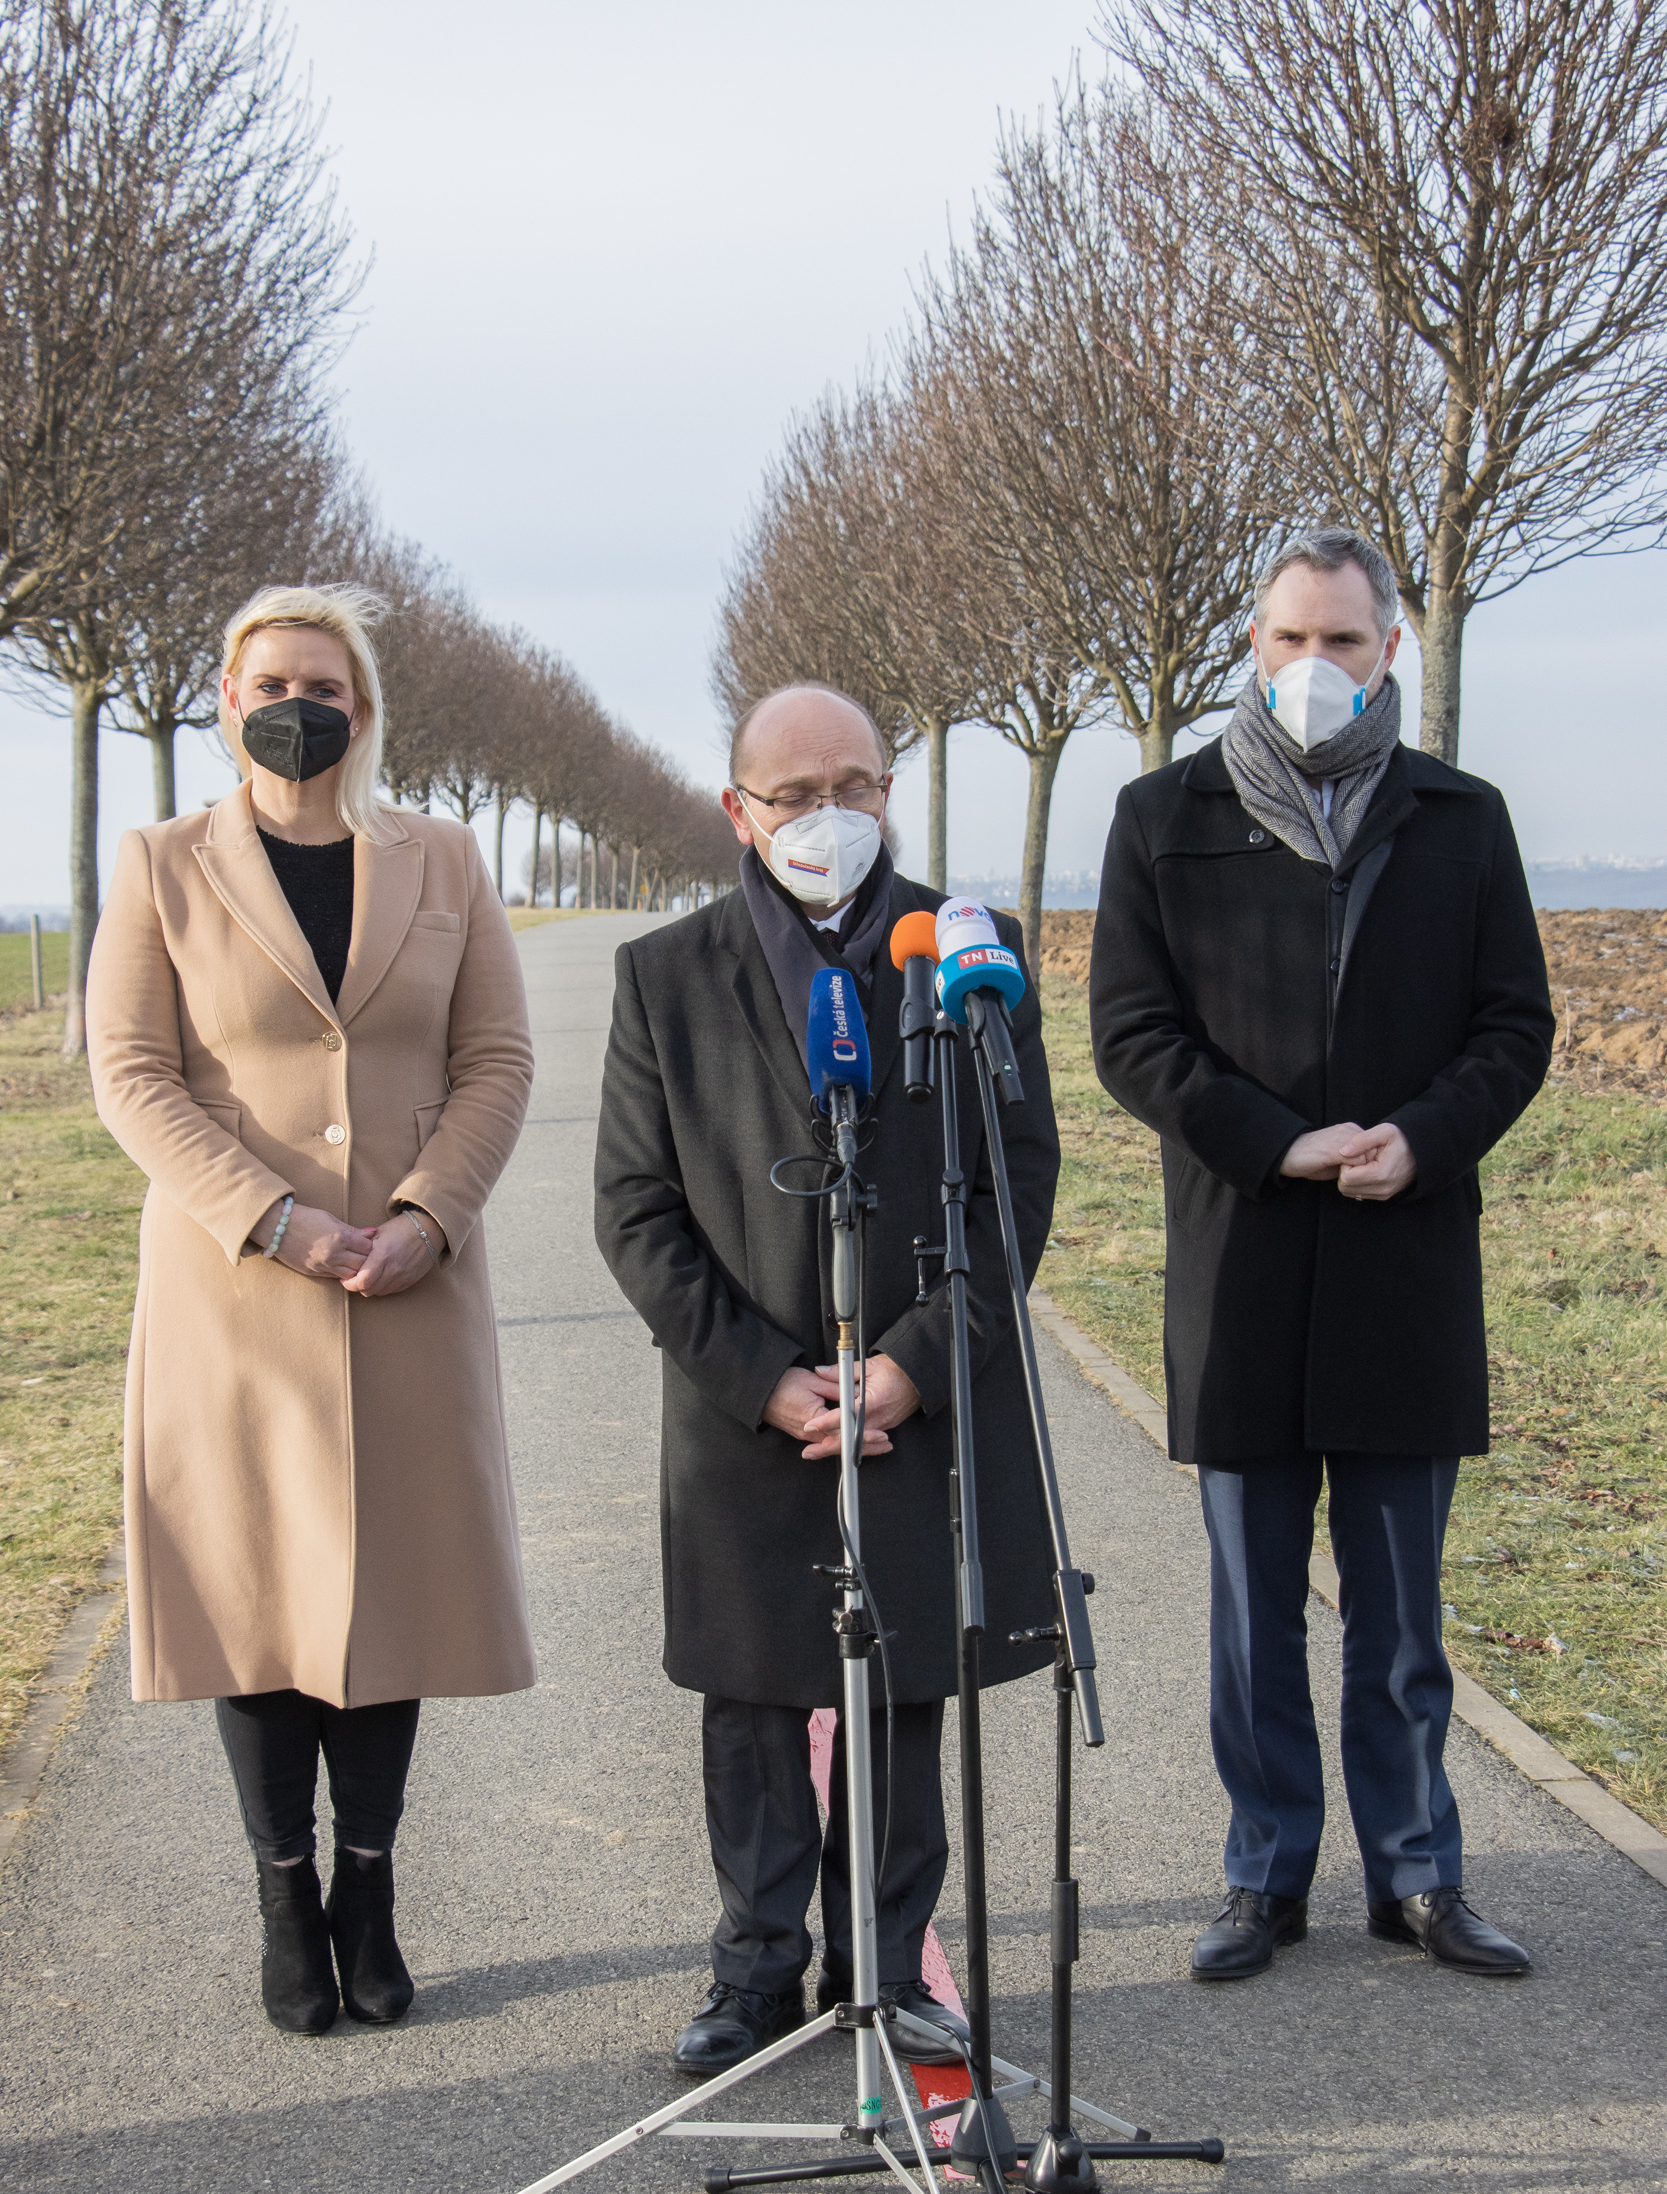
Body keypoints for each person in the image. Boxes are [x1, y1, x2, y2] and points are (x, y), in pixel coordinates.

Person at [1090, 527, 1554, 1984]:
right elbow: (1131, 1034)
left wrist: (1423, 1137)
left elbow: (1515, 1025)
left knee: (1402, 1615)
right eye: (1290, 639)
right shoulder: (1162, 816)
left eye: (1343, 641)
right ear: (1253, 642)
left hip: (1405, 1259)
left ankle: (1418, 1872)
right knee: (1252, 1615)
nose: (1315, 665)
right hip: (1243, 1261)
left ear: (1389, 648)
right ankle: (1264, 1873)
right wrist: (1276, 1142)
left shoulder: (1462, 818)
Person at [86, 582, 536, 2036]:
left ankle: (370, 1888)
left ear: (364, 707)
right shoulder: (161, 865)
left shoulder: (443, 857)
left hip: (408, 1284)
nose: (300, 708)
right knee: (260, 1603)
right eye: (273, 684)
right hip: (237, 1292)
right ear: (229, 701)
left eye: (325, 688)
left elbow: (497, 1059)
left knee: (393, 1597)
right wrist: (271, 1217)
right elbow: (130, 1073)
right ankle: (285, 1896)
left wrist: (428, 1217)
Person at [594, 681, 1061, 2075]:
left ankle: (884, 1960)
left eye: (853, 786)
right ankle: (754, 1968)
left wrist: (918, 1361)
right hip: (744, 1405)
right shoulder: (664, 974)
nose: (827, 815)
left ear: (888, 795)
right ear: (738, 810)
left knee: (903, 1685)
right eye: (794, 794)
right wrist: (762, 1377)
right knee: (751, 1693)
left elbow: (1018, 1178)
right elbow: (635, 1208)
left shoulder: (971, 953)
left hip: (911, 1396)